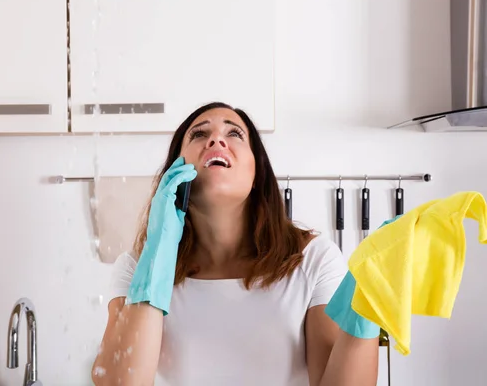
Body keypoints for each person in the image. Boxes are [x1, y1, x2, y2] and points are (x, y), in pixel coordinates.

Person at [92, 102, 379, 385]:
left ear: (257, 174)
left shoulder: (314, 260)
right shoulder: (135, 268)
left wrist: (368, 307)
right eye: (199, 134)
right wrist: (156, 259)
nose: (216, 139)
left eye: (234, 134)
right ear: (174, 172)